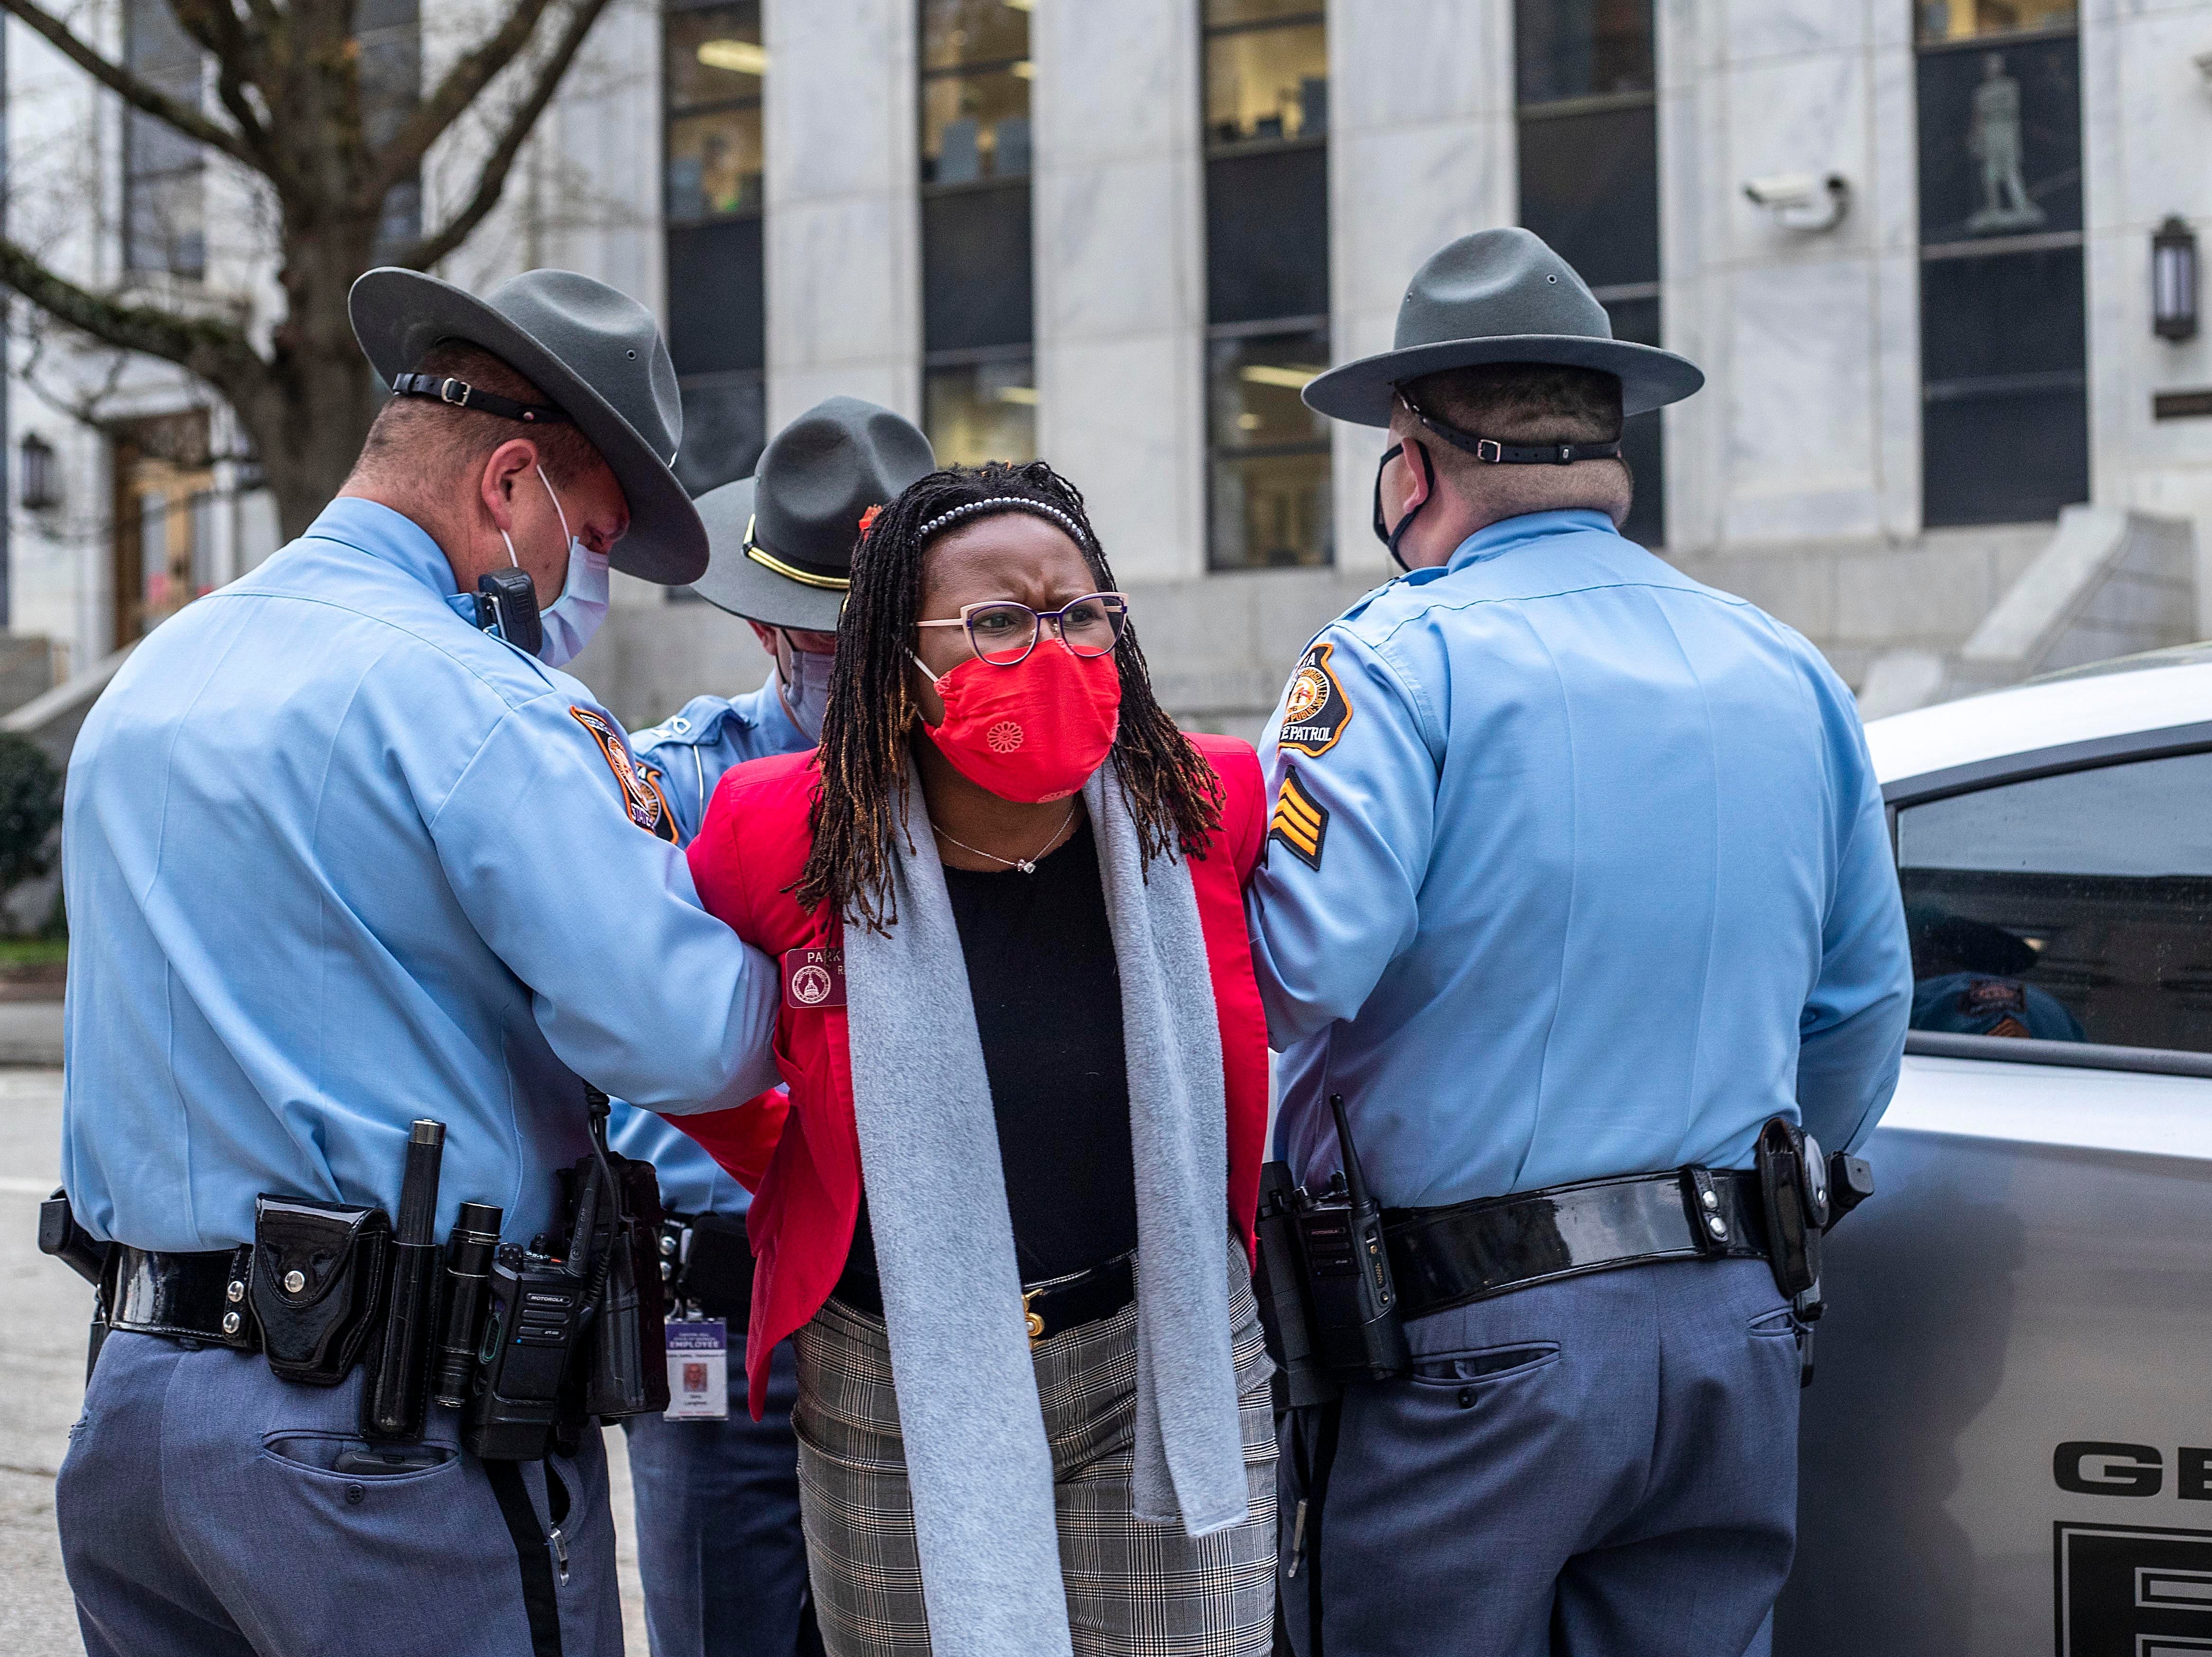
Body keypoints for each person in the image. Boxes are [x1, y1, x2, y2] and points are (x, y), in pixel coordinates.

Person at [53, 265, 784, 1657]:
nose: (594, 585)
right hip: (380, 1448)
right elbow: (684, 1036)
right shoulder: (477, 701)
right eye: (598, 537)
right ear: (510, 486)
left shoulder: (156, 673)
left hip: (140, 1410)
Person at [1244, 227, 1913, 1657]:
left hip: (1472, 1351)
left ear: (1409, 466)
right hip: (1735, 1316)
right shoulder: (1783, 664)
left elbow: (1296, 974)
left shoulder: (1389, 659)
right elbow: (1860, 1008)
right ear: (1608, 444)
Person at [673, 461, 1279, 1657]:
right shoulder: (776, 829)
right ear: (897, 667)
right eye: (998, 621)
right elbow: (677, 1044)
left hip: (1159, 1349)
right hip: (891, 1375)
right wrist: (793, 1163)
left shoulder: (1209, 800)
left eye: (1078, 612)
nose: (1048, 648)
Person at [609, 398, 934, 1657]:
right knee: (716, 1617)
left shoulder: (993, 795)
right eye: (825, 641)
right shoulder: (678, 783)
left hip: (919, 1292)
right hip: (720, 1294)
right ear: (761, 627)